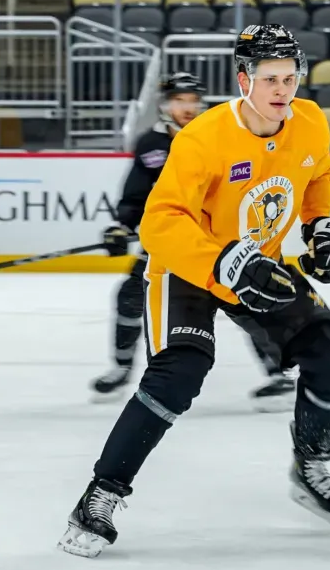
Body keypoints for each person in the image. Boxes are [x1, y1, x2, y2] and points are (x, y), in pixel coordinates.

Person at [60, 25, 330, 558]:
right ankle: (100, 495)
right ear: (244, 80)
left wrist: (319, 227)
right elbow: (160, 222)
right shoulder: (203, 138)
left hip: (260, 264)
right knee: (179, 374)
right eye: (270, 79)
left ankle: (309, 463)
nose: (282, 90)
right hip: (189, 269)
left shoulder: (310, 120)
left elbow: (317, 175)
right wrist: (220, 261)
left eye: (290, 78)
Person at [91, 72, 295, 405]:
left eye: (192, 101)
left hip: (219, 240)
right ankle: (121, 369)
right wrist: (121, 226)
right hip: (172, 243)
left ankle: (280, 373)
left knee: (246, 300)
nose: (187, 107)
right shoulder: (152, 144)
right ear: (164, 105)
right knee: (130, 295)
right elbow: (138, 194)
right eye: (179, 100)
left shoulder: (218, 135)